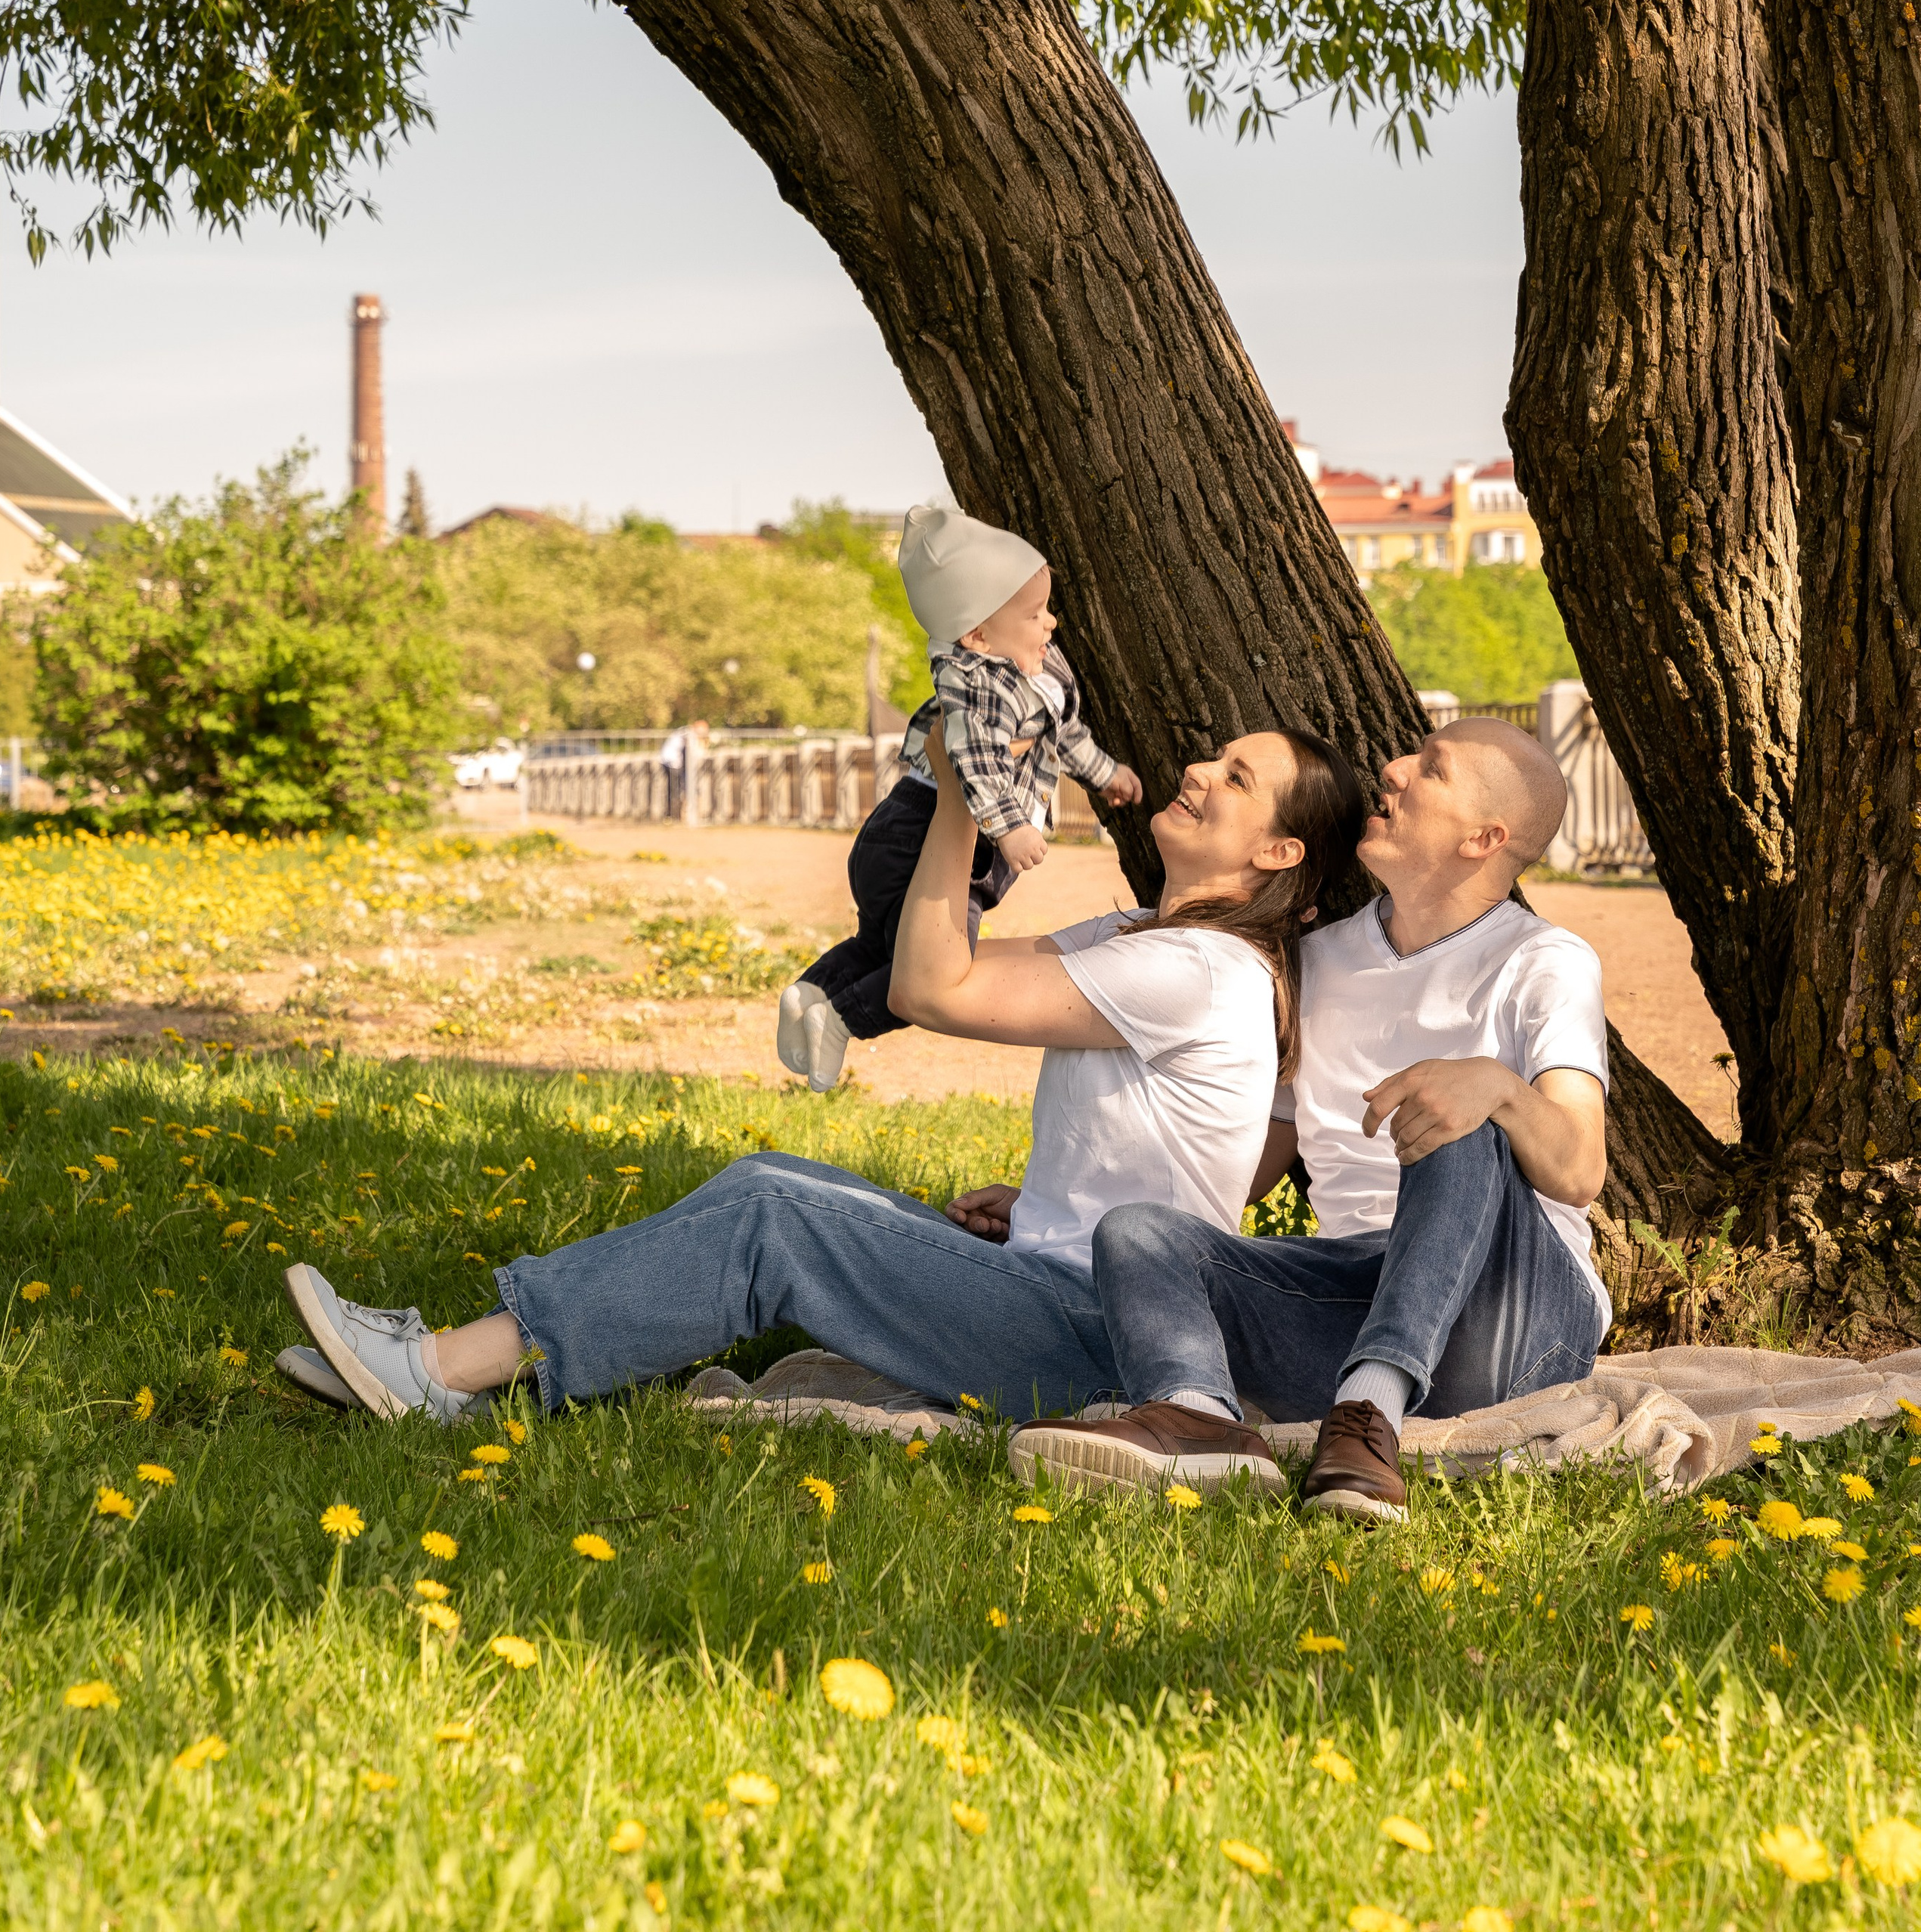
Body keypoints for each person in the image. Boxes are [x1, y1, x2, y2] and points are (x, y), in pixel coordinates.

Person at [277, 720, 1364, 1429]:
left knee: (773, 1219)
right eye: (1212, 757)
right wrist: (1047, 1203)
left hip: (1091, 1334)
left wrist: (960, 798)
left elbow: (938, 991)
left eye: (1236, 777)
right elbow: (926, 966)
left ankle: (440, 1376)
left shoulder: (1199, 970)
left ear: (1277, 855)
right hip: (1062, 1283)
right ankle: (473, 1363)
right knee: (775, 1176)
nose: (1196, 772)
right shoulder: (1154, 939)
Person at [1011, 720, 1608, 1521]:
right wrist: (1052, 1188)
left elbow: (1577, 1171)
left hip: (1516, 1316)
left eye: (1429, 770)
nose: (1391, 770)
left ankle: (1368, 1412)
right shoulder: (1319, 961)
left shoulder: (1545, 962)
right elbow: (1250, 1161)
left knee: (1455, 1112)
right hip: (1348, 1297)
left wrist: (1495, 1087)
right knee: (1139, 1232)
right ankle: (1199, 1420)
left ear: (1484, 837)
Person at [777, 497, 1142, 1090]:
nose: (1050, 624)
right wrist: (1010, 827)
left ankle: (812, 991)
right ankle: (844, 1019)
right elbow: (971, 762)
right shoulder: (974, 687)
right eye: (1034, 615)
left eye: (1046, 610)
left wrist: (1104, 773)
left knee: (883, 943)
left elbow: (1065, 732)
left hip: (901, 829)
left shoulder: (1039, 666)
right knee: (940, 966)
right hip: (925, 834)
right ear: (976, 634)